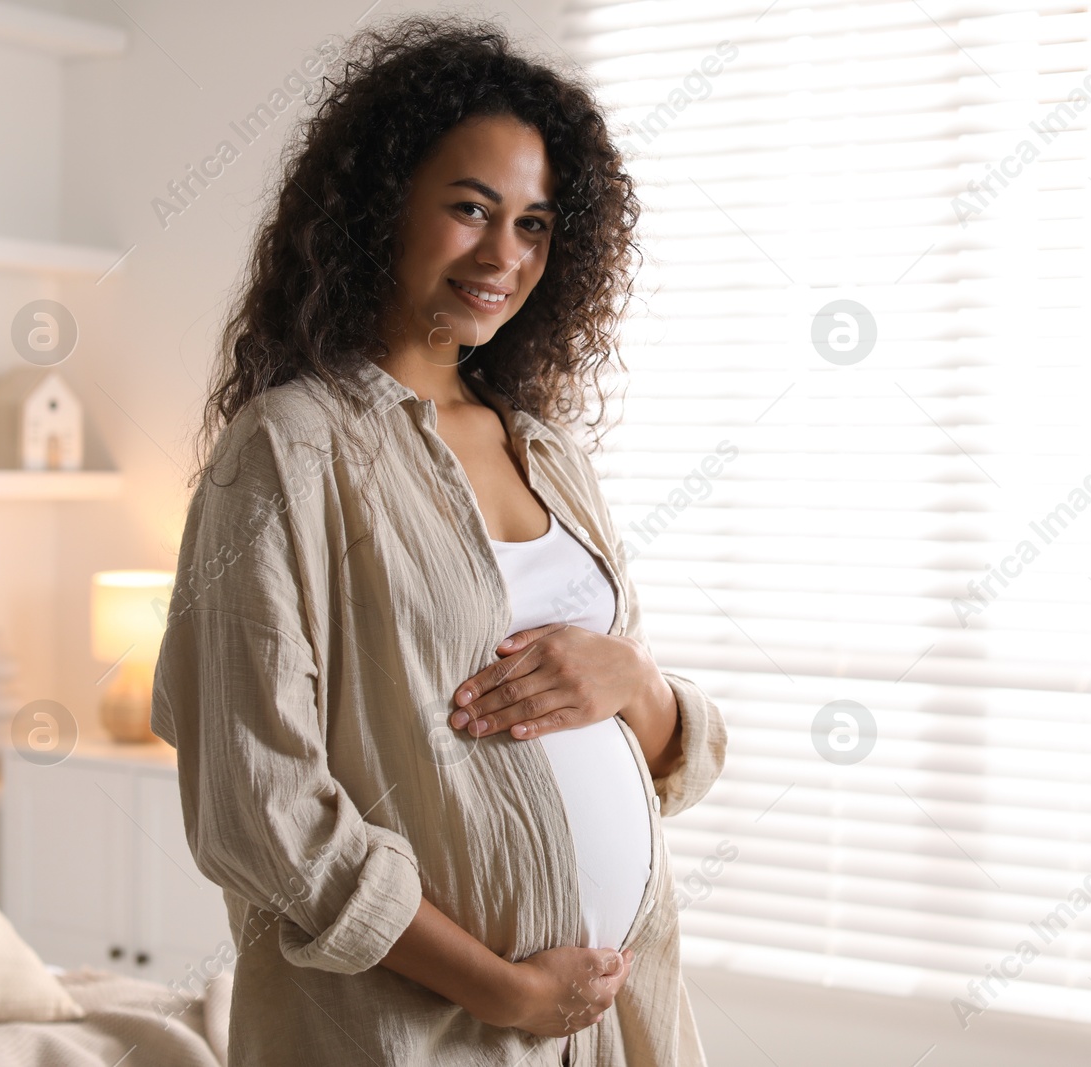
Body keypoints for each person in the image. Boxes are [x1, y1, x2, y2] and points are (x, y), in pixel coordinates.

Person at [150, 14, 728, 1067]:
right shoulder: (289, 450)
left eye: (535, 223)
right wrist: (502, 985)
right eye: (470, 208)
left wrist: (635, 678)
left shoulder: (544, 451)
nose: (503, 254)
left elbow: (653, 753)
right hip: (415, 1031)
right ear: (381, 207)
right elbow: (256, 805)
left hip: (616, 1022)